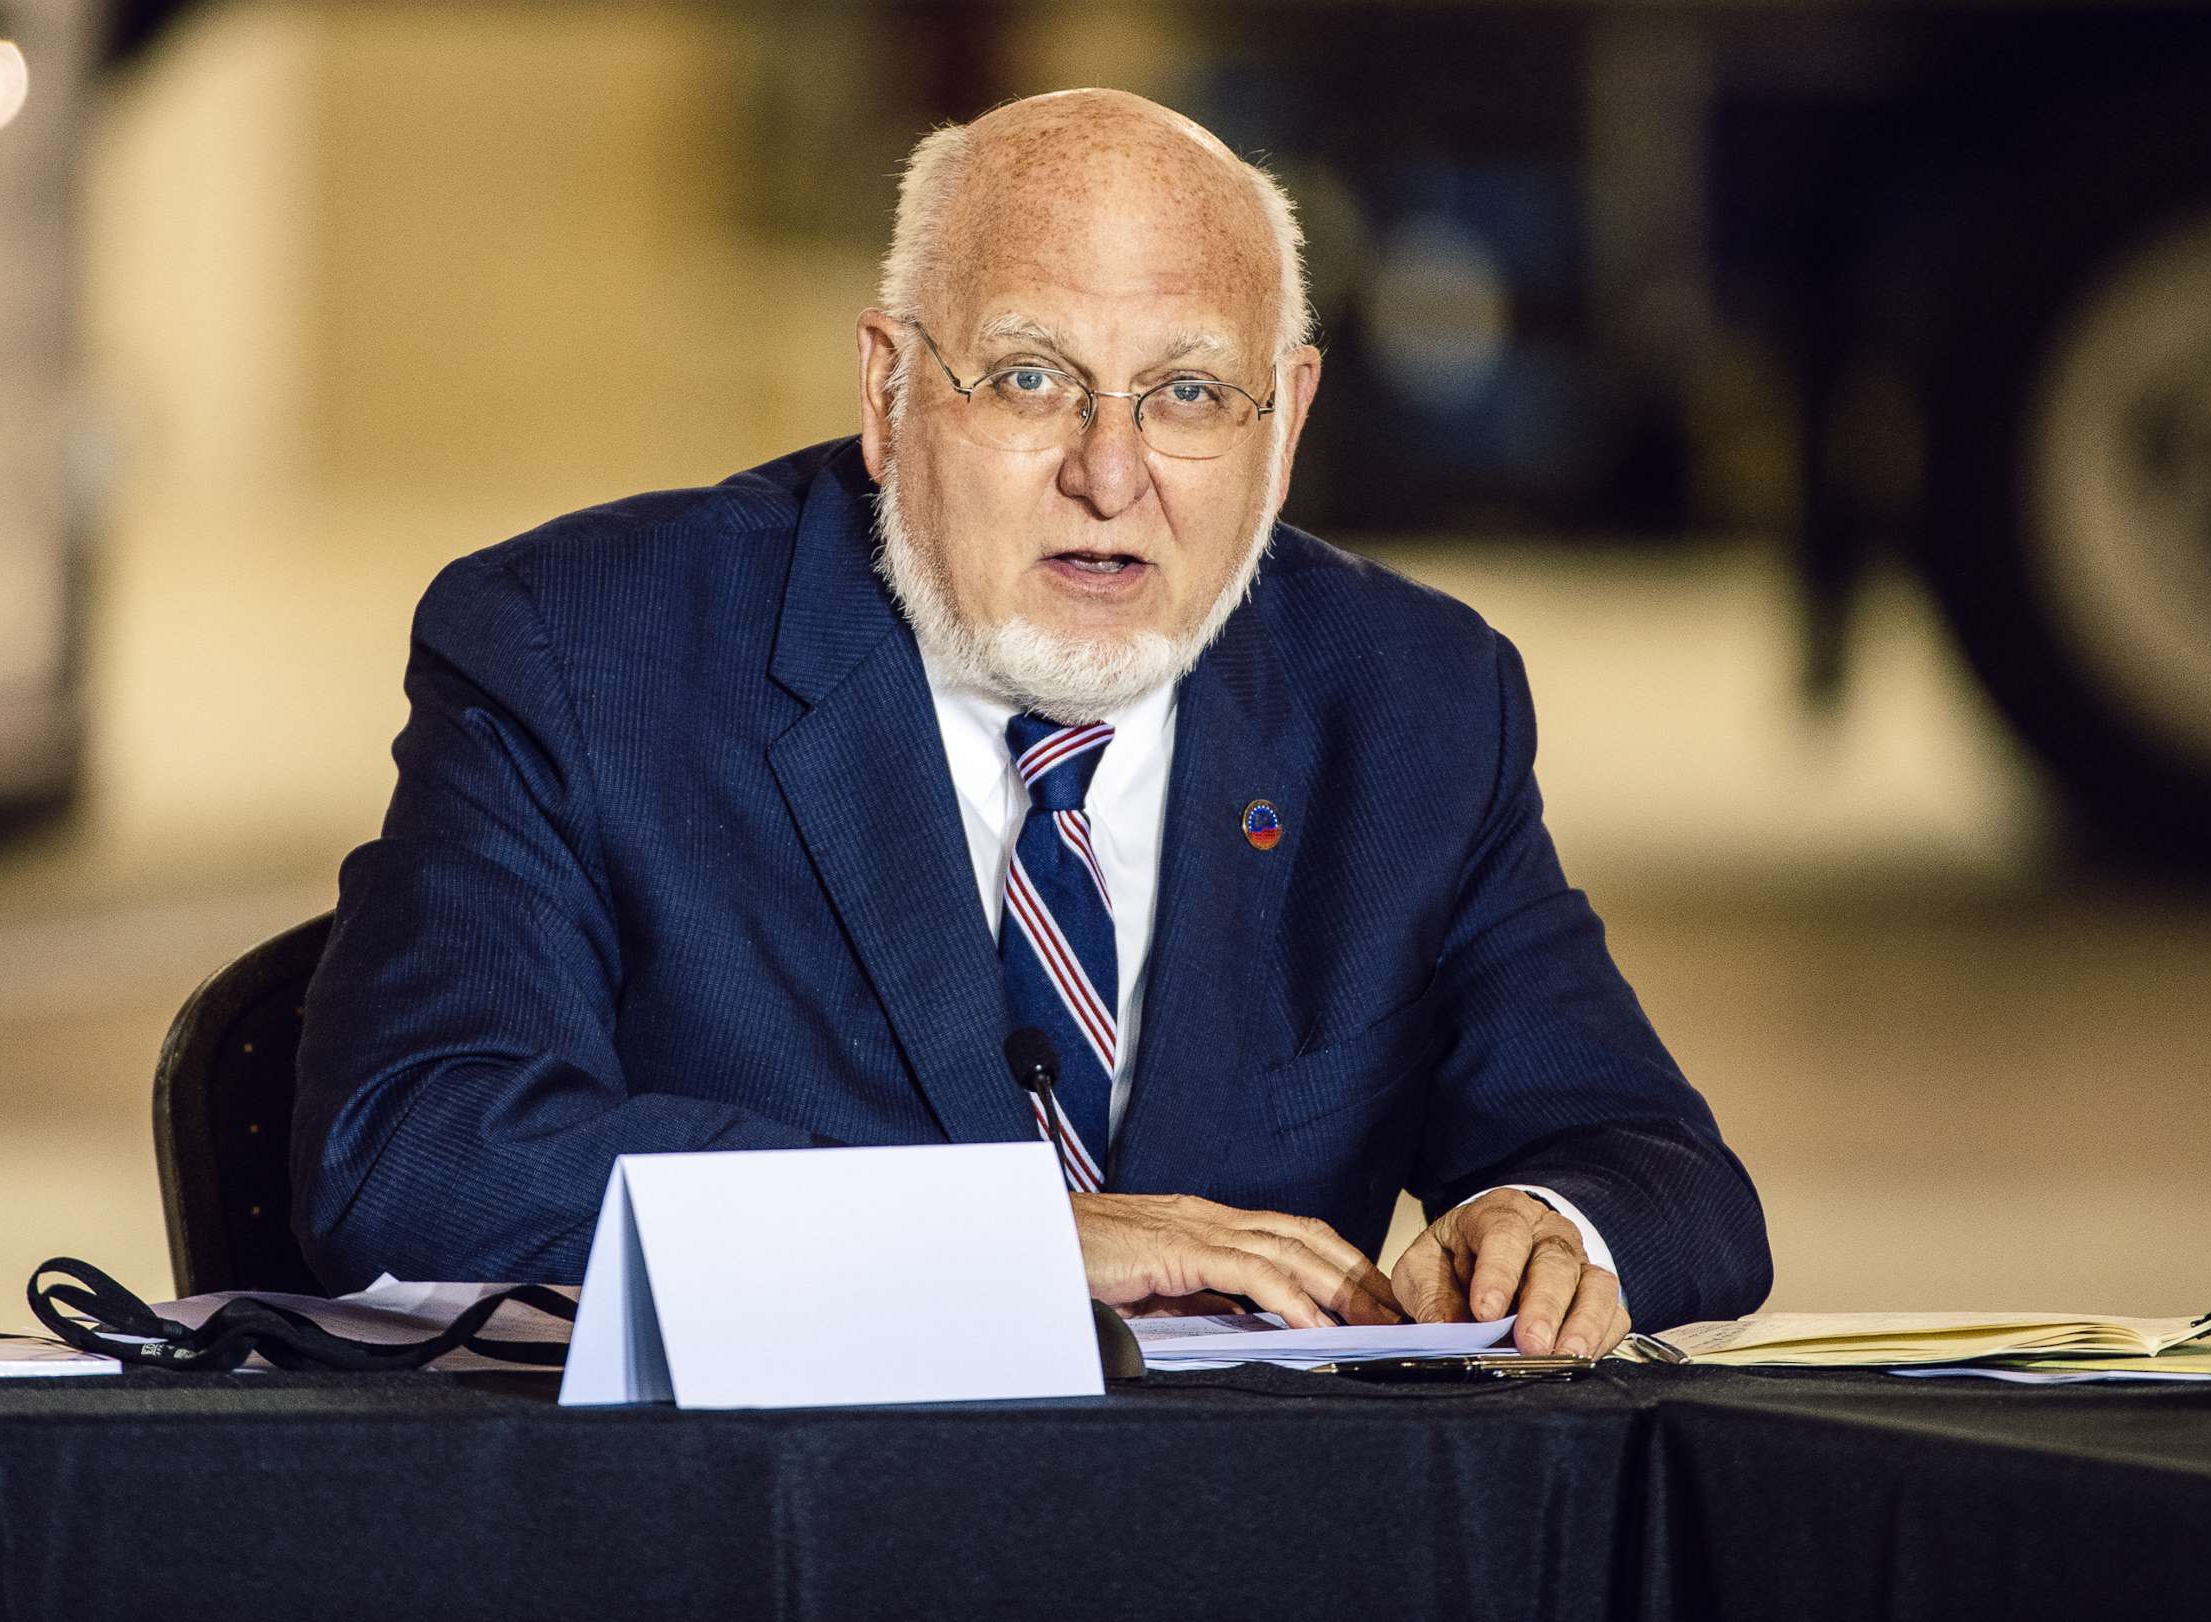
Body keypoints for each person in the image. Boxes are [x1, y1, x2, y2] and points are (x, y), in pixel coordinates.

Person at [292, 89, 1771, 1357]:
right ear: (887, 391)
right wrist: (1003, 1238)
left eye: (1189, 393)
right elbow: (414, 1148)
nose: (1110, 473)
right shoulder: (580, 651)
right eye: (1029, 379)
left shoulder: (1414, 700)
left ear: (1289, 421)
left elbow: (1664, 1176)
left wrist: (1542, 1226)